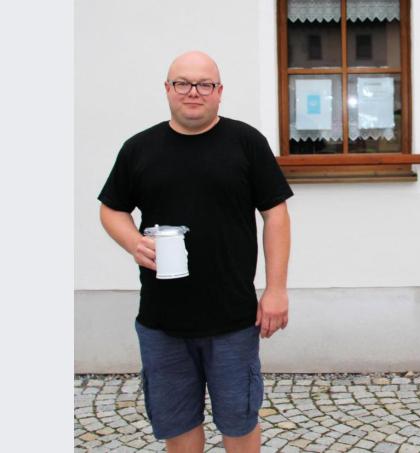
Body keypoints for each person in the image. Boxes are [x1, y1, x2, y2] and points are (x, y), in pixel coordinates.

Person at [99, 51, 293, 452]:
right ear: (167, 90)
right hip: (162, 322)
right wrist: (133, 241)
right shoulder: (139, 148)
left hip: (233, 320)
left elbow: (275, 214)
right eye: (182, 83)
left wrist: (275, 290)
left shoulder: (246, 143)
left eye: (204, 84)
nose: (193, 92)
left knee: (239, 422)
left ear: (219, 92)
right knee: (177, 423)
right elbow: (111, 208)